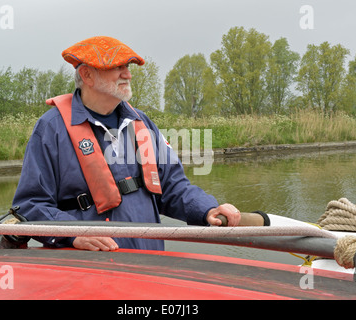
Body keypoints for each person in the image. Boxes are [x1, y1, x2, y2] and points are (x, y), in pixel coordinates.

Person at [12, 36, 241, 251]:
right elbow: (31, 204)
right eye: (117, 67)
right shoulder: (51, 128)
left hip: (148, 263)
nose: (128, 75)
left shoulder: (142, 123)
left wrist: (208, 209)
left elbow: (172, 185)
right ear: (87, 75)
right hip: (91, 270)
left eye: (128, 67)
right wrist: (74, 234)